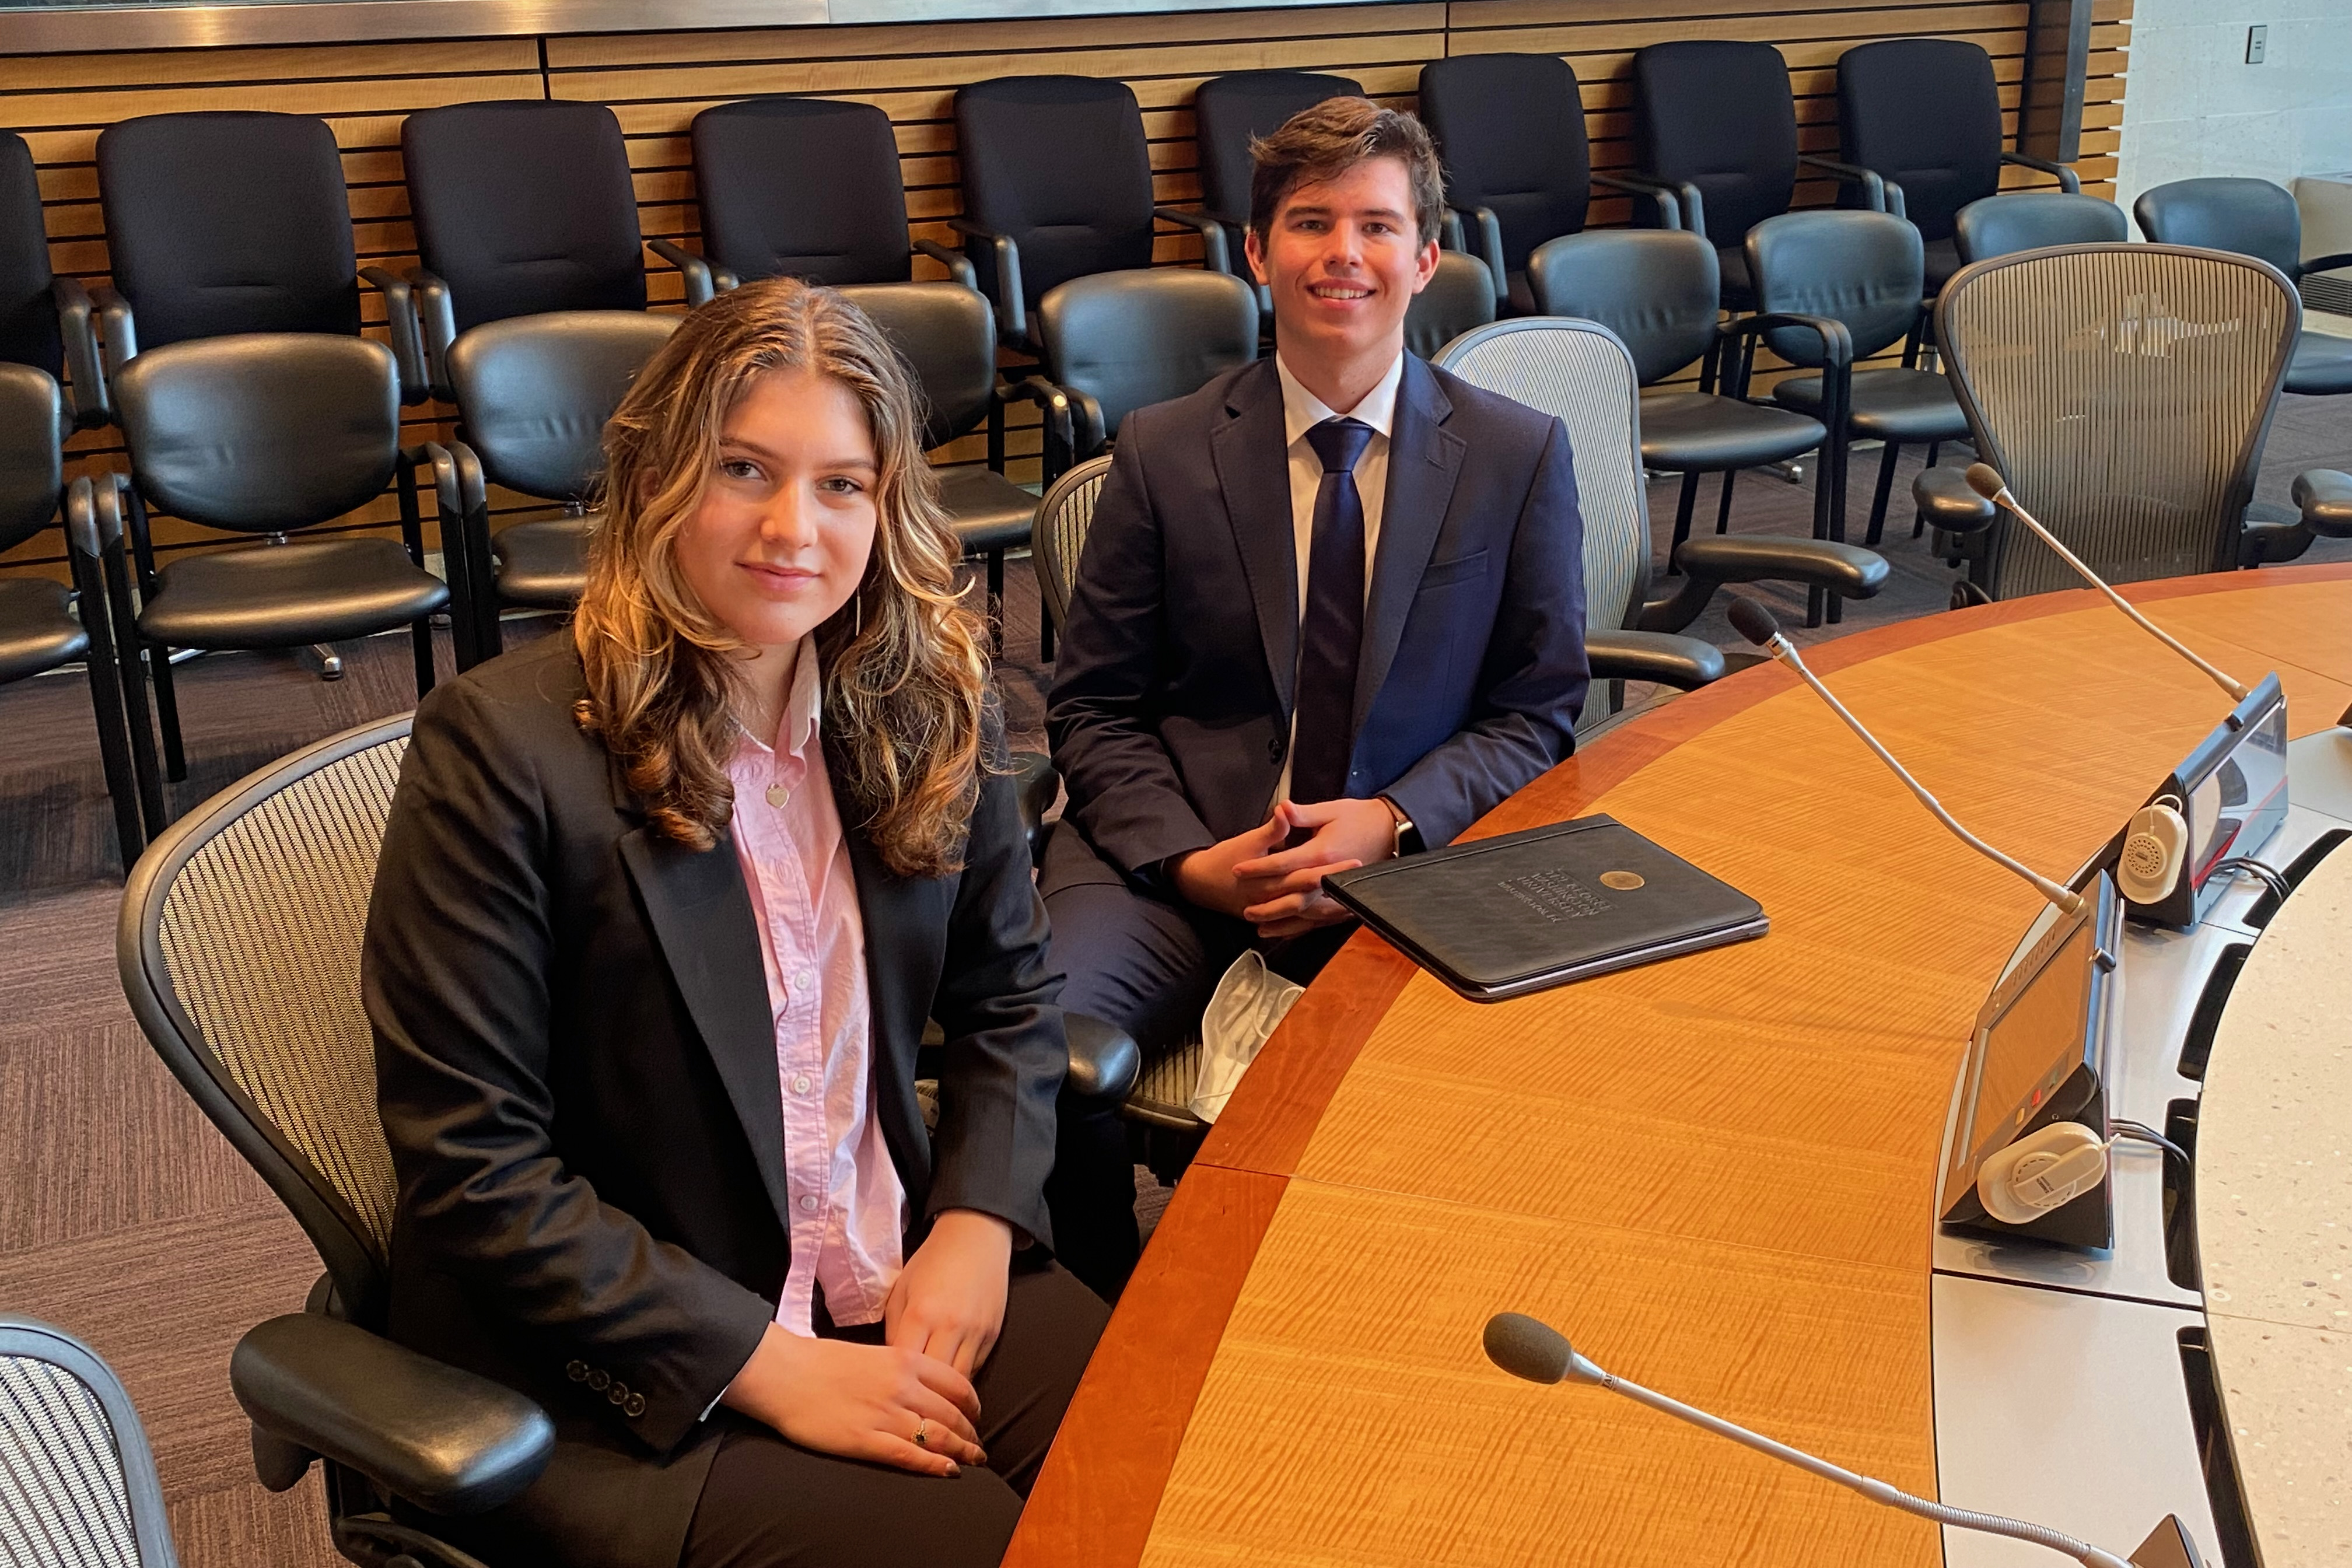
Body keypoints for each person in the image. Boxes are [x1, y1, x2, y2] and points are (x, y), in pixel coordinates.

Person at [365, 278, 1107, 1568]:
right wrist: (764, 1365)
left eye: (841, 485)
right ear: (657, 476)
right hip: (630, 1348)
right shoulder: (501, 749)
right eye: (743, 469)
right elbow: (472, 1169)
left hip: (886, 1250)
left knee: (1165, 1453)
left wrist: (980, 1220)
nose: (791, 528)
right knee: (976, 1547)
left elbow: (1009, 1003)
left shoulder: (931, 705)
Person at [1040, 98, 1591, 1296]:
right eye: (1310, 222)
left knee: (1492, 1085)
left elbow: (1539, 709)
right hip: (1185, 851)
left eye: (1377, 225)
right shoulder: (1165, 450)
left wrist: (1389, 823)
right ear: (1256, 251)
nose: (1344, 251)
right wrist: (1193, 863)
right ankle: (1097, 1321)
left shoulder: (1515, 455)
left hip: (1412, 862)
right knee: (1048, 1058)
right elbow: (1091, 707)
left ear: (1425, 257)